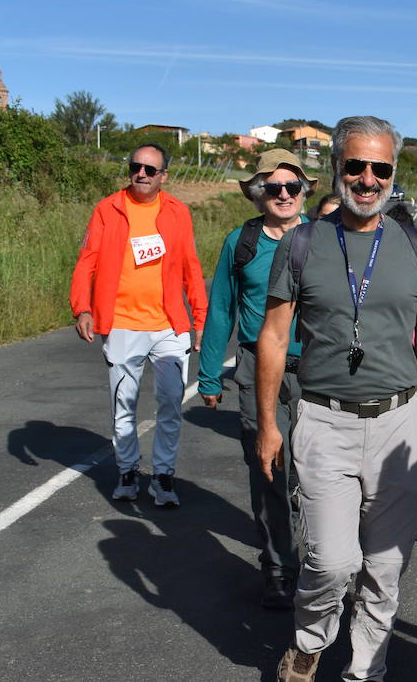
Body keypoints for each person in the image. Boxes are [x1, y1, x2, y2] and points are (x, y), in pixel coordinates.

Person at [256, 115, 417, 682]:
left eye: (381, 168)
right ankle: (310, 641)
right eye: (357, 166)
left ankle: (364, 676)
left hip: (399, 424)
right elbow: (275, 335)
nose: (368, 179)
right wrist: (267, 422)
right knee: (333, 562)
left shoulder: (416, 246)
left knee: (385, 566)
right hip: (323, 419)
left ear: (395, 174)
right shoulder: (302, 242)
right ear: (337, 168)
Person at [198, 150, 315, 609]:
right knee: (268, 469)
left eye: (291, 186)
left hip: (315, 370)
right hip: (254, 368)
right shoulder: (240, 242)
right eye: (272, 187)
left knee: (311, 474)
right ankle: (279, 566)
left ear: (304, 190)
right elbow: (222, 307)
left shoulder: (322, 238)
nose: (283, 194)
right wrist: (209, 375)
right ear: (258, 192)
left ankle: (319, 558)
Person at [70, 143, 207, 507]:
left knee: (171, 403)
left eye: (150, 169)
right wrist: (82, 308)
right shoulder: (108, 209)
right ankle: (127, 469)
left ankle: (163, 476)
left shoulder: (178, 211)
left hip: (169, 325)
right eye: (136, 167)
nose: (141, 174)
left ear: (163, 175)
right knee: (124, 405)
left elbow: (192, 267)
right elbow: (87, 262)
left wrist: (200, 319)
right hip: (122, 324)